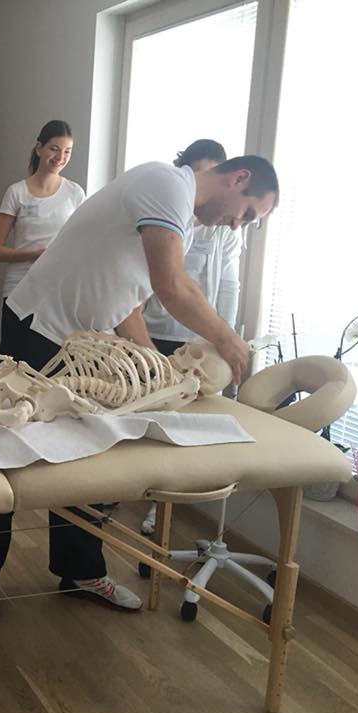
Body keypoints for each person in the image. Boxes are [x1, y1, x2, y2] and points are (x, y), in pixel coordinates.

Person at [0, 154, 279, 622]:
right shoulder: (167, 185)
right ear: (239, 178)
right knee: (10, 450)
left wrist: (155, 366)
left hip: (84, 341)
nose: (237, 225)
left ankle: (80, 571)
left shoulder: (183, 221)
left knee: (88, 455)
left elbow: (128, 300)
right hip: (39, 327)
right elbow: (172, 286)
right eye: (247, 213)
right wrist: (228, 340)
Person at [139, 139, 244, 535]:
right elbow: (161, 281)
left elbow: (228, 285)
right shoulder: (170, 205)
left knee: (181, 429)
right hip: (153, 331)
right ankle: (121, 489)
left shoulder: (225, 230)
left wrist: (224, 338)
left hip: (198, 340)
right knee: (144, 415)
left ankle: (161, 505)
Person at [0, 121, 85, 351]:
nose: (60, 157)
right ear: (39, 148)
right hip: (19, 289)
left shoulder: (74, 193)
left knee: (50, 362)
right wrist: (35, 254)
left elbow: (81, 244)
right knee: (13, 360)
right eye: (54, 149)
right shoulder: (17, 192)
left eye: (67, 151)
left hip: (57, 292)